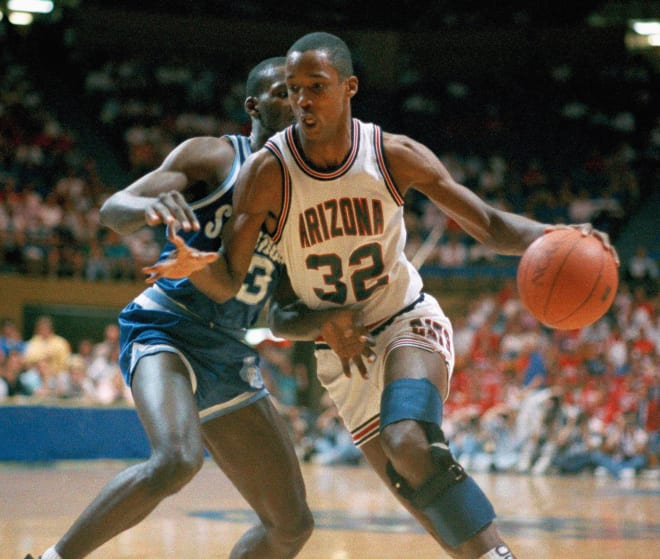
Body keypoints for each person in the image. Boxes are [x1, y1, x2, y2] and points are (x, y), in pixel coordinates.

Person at [148, 32, 619, 559]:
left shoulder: (391, 155)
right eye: (296, 88)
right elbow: (249, 294)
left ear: (349, 88)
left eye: (317, 87)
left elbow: (486, 224)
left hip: (405, 319)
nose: (303, 99)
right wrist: (198, 270)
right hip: (343, 356)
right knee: (416, 490)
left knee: (409, 442)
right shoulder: (267, 174)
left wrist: (559, 236)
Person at [24, 57, 313, 559]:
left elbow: (286, 308)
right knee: (177, 460)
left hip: (230, 349)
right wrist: (148, 208)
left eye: (304, 92)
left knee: (292, 526)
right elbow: (114, 210)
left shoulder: (307, 193)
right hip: (167, 327)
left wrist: (343, 320)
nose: (297, 102)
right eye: (283, 92)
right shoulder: (215, 157)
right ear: (254, 105)